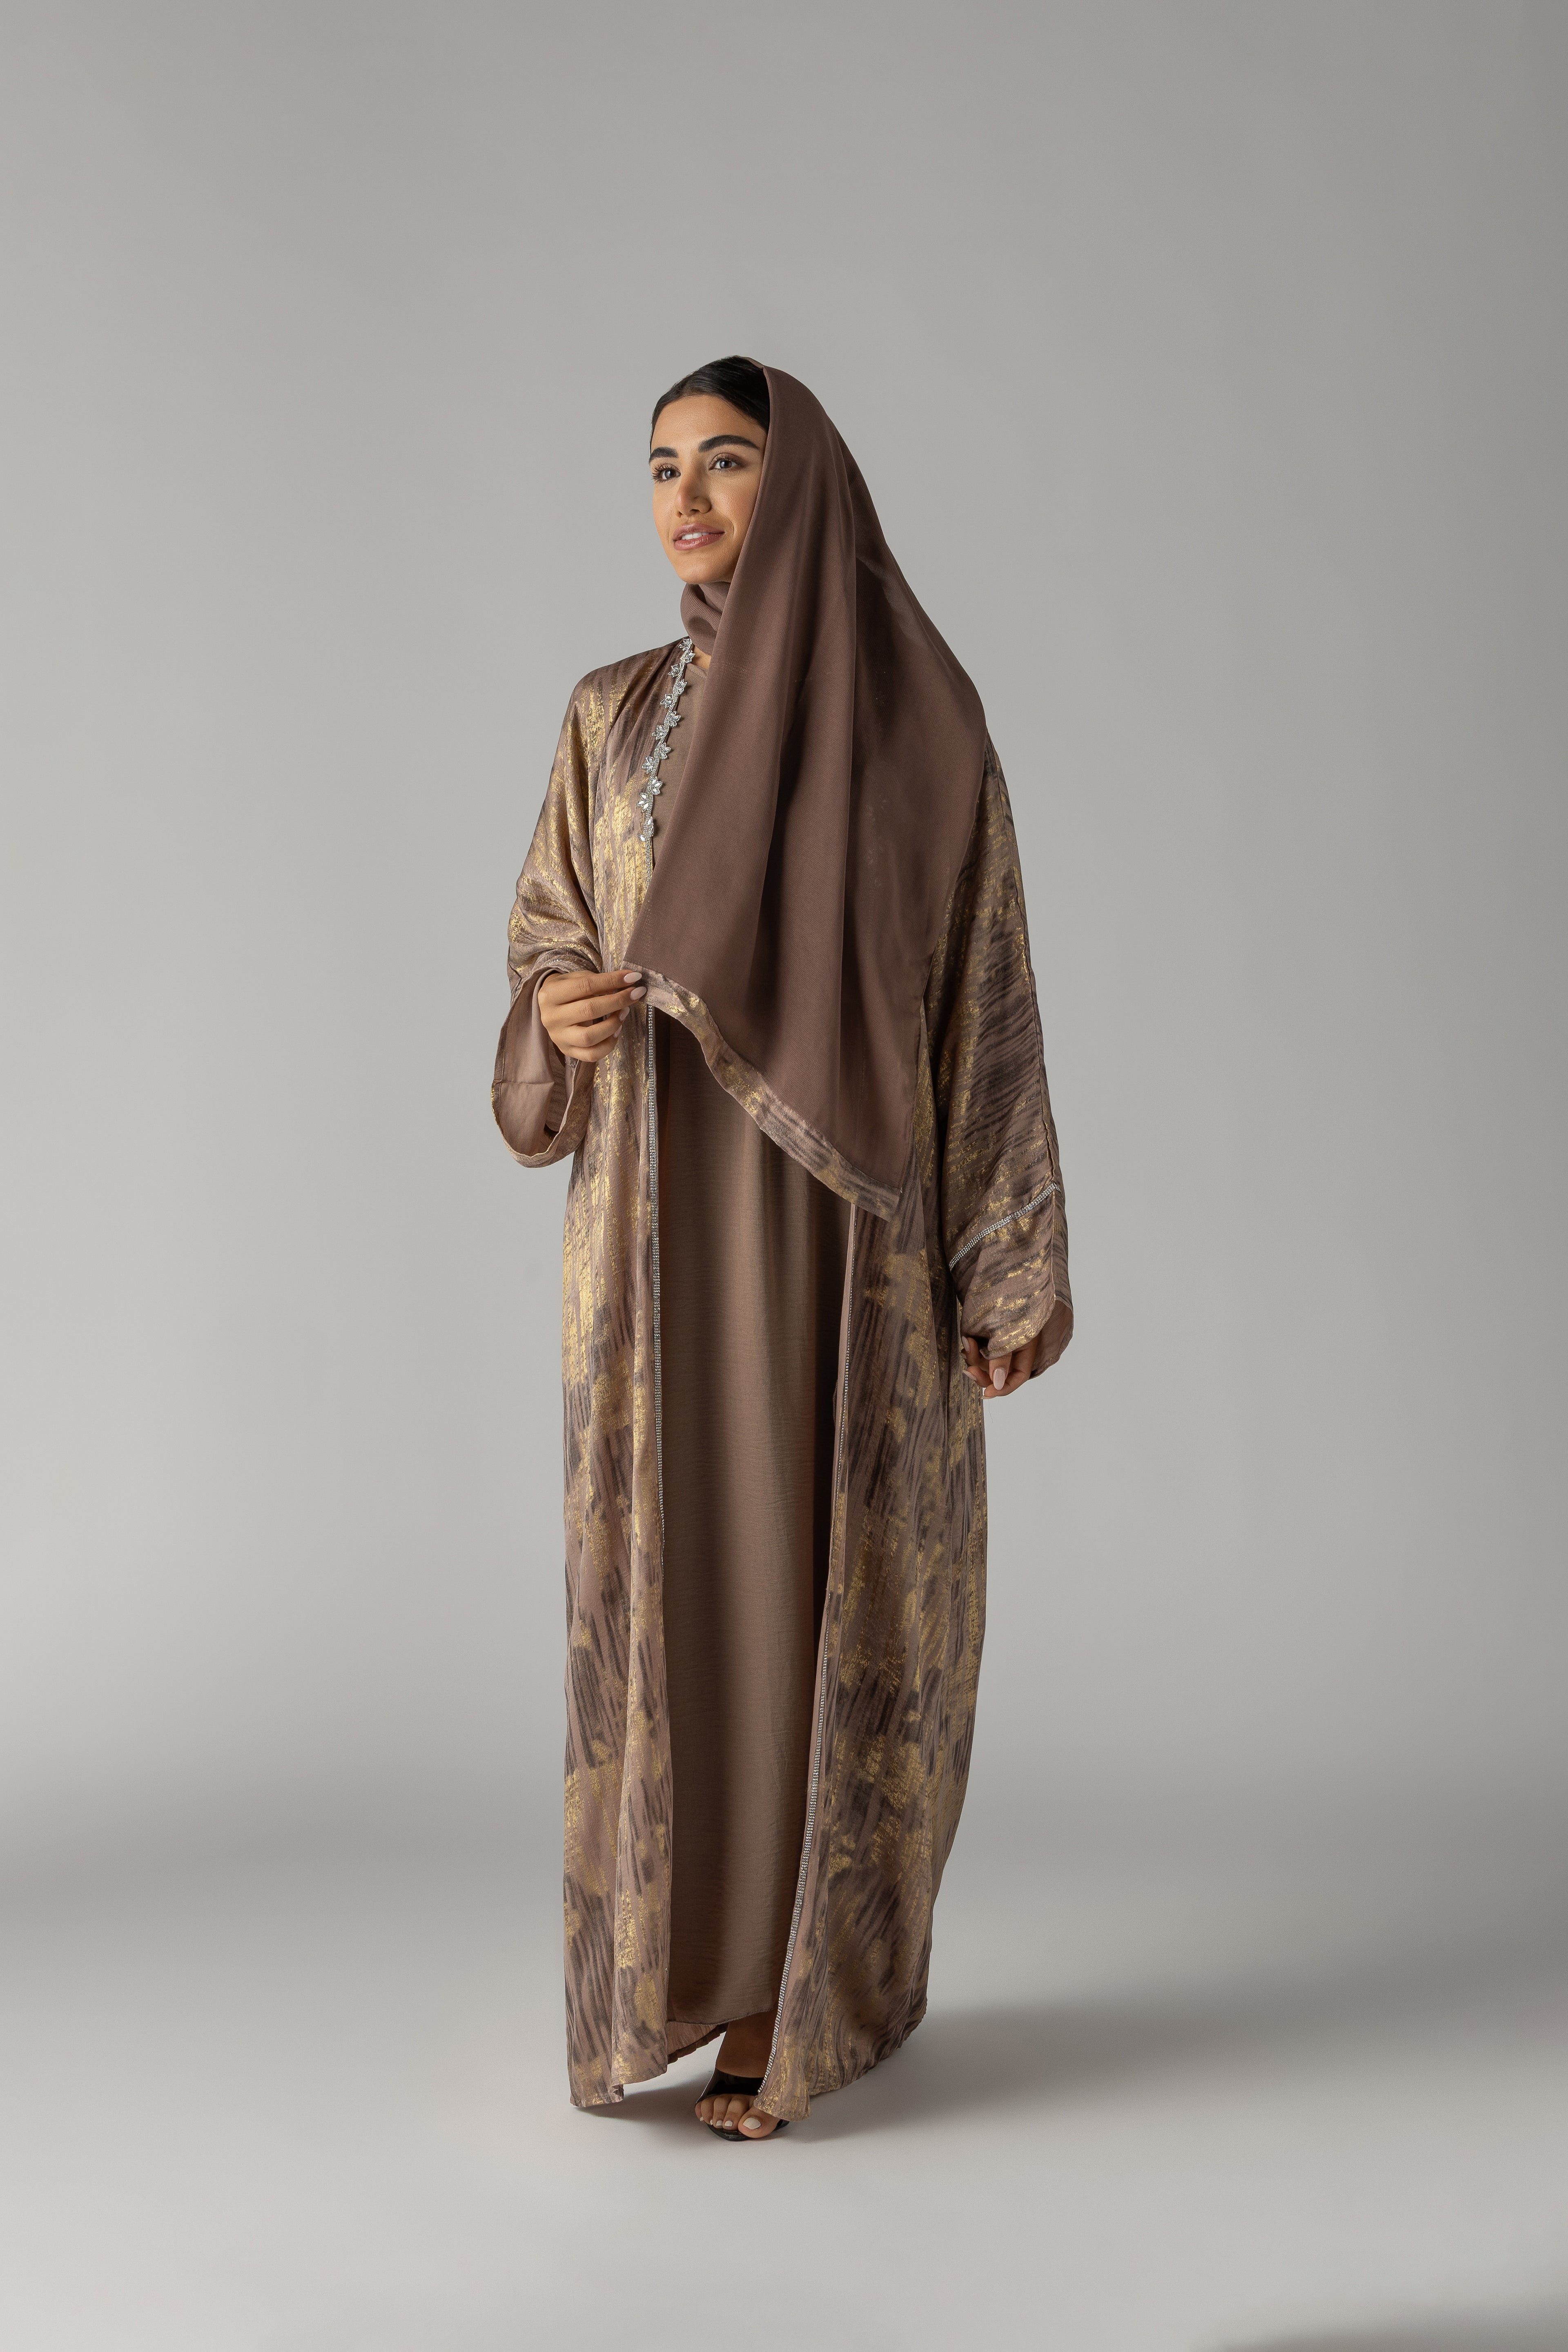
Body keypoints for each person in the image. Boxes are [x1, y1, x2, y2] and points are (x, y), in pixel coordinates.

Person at [492, 358, 1072, 2140]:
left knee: (815, 1582)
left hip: (843, 1243)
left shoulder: (919, 725)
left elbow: (980, 990)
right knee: (678, 1585)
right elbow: (547, 934)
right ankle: (671, 1978)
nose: (686, 498)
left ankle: (791, 1998)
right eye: (663, 467)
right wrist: (553, 1014)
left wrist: (1008, 1259)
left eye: (728, 462)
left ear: (801, 485)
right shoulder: (610, 715)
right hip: (653, 1232)